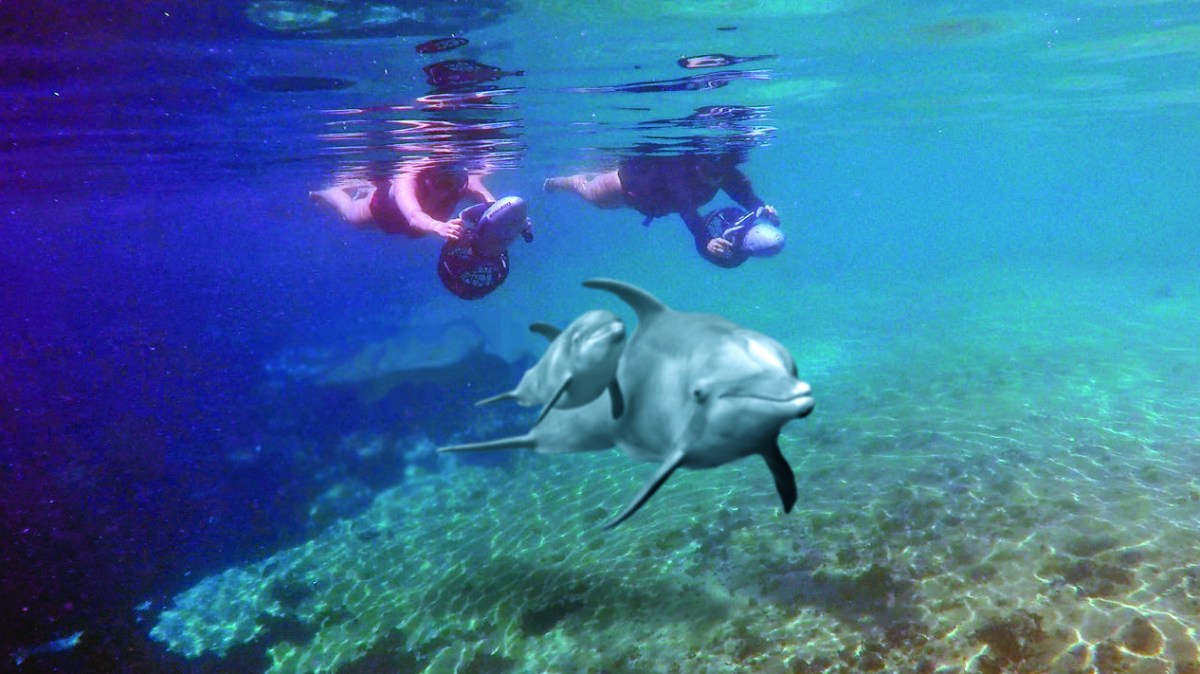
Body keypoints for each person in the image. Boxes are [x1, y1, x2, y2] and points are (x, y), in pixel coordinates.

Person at [544, 152, 780, 267]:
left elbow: (742, 192)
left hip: (651, 201)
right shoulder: (680, 174)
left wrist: (761, 208)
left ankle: (598, 171)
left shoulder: (721, 170)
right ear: (698, 164)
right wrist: (705, 239)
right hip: (626, 187)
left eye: (718, 174)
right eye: (707, 171)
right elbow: (686, 208)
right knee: (591, 195)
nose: (712, 178)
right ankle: (566, 181)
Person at [310, 161, 495, 241]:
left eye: (454, 182)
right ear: (428, 178)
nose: (447, 189)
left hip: (425, 224)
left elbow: (494, 207)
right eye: (442, 182)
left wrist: (514, 219)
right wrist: (438, 227)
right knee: (350, 214)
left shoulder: (462, 183)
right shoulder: (406, 179)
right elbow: (414, 216)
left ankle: (364, 186)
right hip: (387, 212)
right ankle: (329, 192)